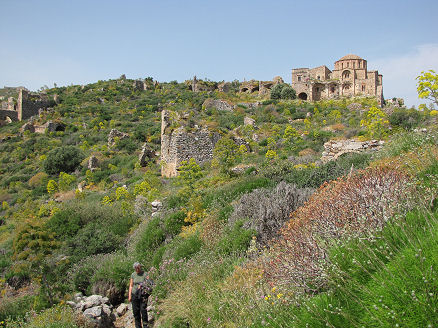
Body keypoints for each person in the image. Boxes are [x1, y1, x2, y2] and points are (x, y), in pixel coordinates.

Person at [129, 262, 149, 328]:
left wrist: (143, 286)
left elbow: (149, 283)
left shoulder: (145, 274)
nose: (137, 269)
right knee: (136, 311)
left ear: (140, 267)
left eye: (138, 267)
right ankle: (138, 326)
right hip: (134, 294)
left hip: (143, 294)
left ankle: (145, 325)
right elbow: (131, 285)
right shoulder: (133, 275)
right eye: (135, 268)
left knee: (143, 310)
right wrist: (129, 296)